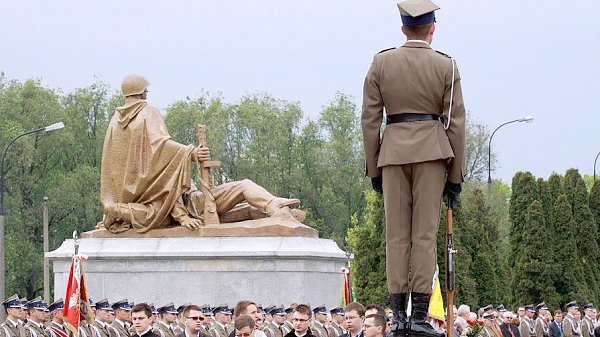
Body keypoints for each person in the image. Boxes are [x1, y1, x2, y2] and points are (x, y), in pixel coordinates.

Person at [360, 0, 465, 336]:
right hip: (433, 153)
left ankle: (399, 317)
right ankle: (419, 316)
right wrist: (455, 174)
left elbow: (369, 121)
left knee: (396, 237)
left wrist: (374, 168)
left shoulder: (381, 62)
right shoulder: (446, 66)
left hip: (392, 154)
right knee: (424, 236)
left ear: (403, 28)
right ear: (432, 29)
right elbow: (455, 123)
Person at [99, 73, 302, 234]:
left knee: (238, 210)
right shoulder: (147, 112)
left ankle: (279, 213)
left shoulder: (114, 123)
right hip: (186, 203)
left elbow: (119, 165)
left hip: (146, 200)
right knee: (244, 185)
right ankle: (275, 206)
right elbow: (160, 146)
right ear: (143, 92)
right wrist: (191, 153)